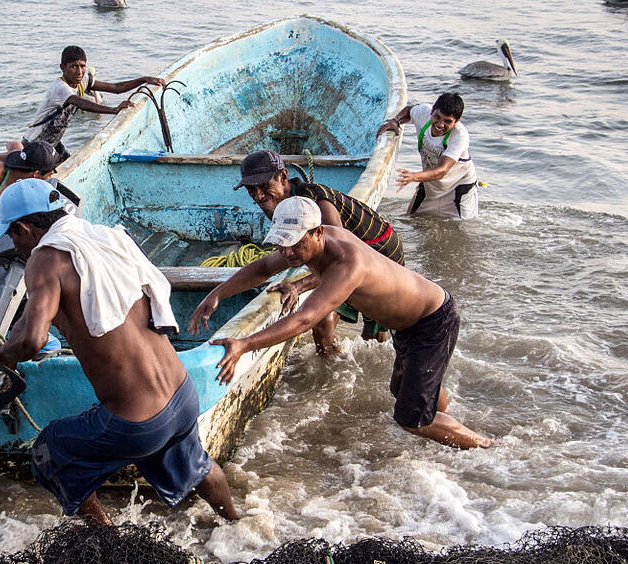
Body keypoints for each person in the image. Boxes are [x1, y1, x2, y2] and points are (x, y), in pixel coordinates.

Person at [0, 180, 239, 524]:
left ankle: (106, 542)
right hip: (182, 396)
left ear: (24, 228)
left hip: (138, 423)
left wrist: (1, 357)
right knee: (199, 467)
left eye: (12, 236)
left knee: (51, 453)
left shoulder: (45, 260)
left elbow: (32, 339)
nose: (14, 245)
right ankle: (236, 526)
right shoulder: (103, 237)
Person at [192, 197, 492, 449]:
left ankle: (484, 447)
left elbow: (305, 319)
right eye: (283, 245)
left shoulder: (348, 265)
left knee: (411, 419)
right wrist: (218, 293)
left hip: (433, 319)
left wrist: (244, 344)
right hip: (410, 324)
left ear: (318, 232)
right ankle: (443, 426)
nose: (288, 253)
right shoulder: (305, 245)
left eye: (294, 245)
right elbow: (262, 267)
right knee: (404, 391)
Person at [234, 150, 405, 348]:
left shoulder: (318, 202)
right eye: (251, 190)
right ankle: (331, 367)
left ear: (283, 177)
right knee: (323, 323)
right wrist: (218, 295)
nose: (259, 196)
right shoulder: (276, 204)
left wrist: (299, 286)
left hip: (381, 250)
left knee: (374, 326)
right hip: (349, 258)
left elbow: (339, 262)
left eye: (264, 187)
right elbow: (268, 266)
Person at [23, 45, 167, 163]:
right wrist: (113, 110)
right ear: (63, 67)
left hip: (53, 142)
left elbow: (116, 88)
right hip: (35, 143)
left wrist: (144, 79)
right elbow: (82, 104)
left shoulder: (83, 80)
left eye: (82, 66)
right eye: (74, 67)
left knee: (69, 165)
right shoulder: (61, 88)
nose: (79, 71)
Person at [376, 91, 479, 220]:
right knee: (411, 220)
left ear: (457, 122)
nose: (440, 124)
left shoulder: (459, 136)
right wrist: (395, 121)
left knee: (461, 229)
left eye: (447, 121)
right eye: (437, 117)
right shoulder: (424, 112)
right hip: (430, 182)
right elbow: (409, 111)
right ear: (432, 111)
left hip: (458, 187)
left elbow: (442, 171)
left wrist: (414, 176)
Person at [0, 140, 59, 204]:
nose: (49, 179)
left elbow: (14, 143)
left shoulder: (20, 155)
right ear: (36, 173)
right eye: (49, 175)